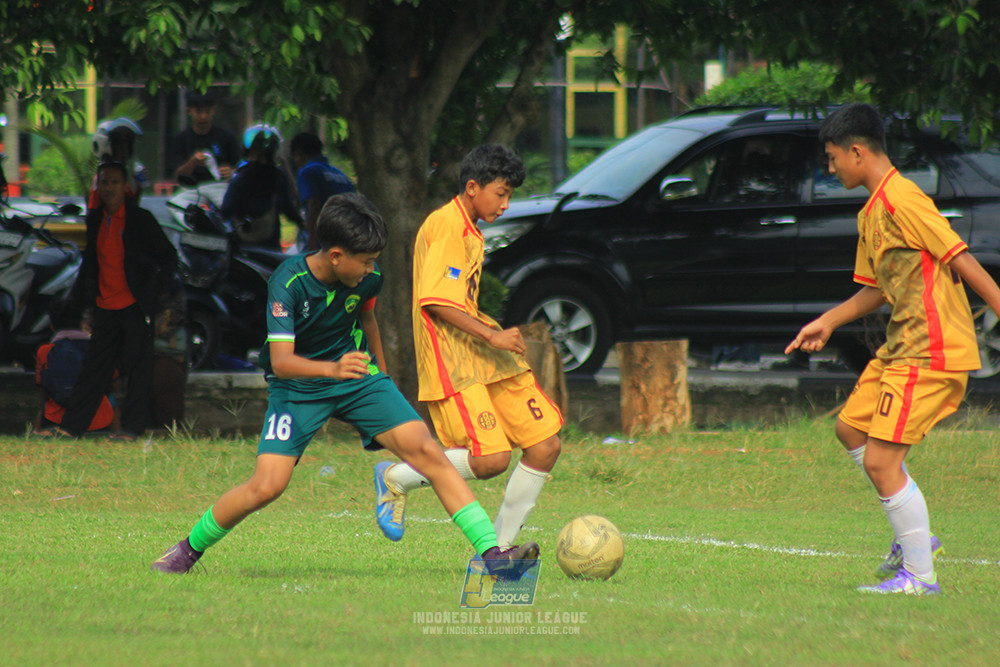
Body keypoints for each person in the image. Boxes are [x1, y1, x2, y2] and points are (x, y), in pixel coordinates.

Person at [151, 193, 540, 577]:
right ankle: (186, 550)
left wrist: (381, 378)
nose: (372, 270)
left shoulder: (368, 279)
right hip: (298, 388)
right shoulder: (288, 284)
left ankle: (492, 557)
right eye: (366, 262)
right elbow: (283, 364)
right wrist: (332, 370)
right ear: (336, 256)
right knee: (267, 486)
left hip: (356, 377)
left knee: (429, 453)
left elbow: (367, 321)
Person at [785, 103, 1000, 595]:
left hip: (931, 350)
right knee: (850, 428)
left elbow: (959, 257)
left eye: (834, 157)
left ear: (858, 151)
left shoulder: (904, 199)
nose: (830, 166)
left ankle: (920, 577)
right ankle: (914, 536)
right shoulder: (872, 211)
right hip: (900, 347)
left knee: (882, 462)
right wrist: (827, 321)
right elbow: (876, 289)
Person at [372, 144, 562, 549]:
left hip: (482, 353)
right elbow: (436, 301)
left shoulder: (469, 228)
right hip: (451, 358)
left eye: (510, 194)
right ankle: (396, 476)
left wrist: (492, 338)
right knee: (491, 460)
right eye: (502, 193)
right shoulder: (445, 225)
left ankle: (504, 550)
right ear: (473, 187)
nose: (506, 204)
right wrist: (493, 335)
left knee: (545, 445)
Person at [43, 162, 178, 441]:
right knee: (94, 369)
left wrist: (154, 295)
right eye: (104, 182)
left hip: (135, 306)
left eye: (114, 182)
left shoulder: (139, 219)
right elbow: (91, 264)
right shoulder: (96, 220)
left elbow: (168, 256)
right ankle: (71, 428)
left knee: (138, 369)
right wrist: (80, 304)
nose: (109, 188)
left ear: (124, 186)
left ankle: (131, 430)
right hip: (105, 307)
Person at [34, 309, 119, 435]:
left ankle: (36, 433)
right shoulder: (98, 350)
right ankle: (117, 435)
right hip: (99, 419)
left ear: (52, 326)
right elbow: (115, 385)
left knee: (46, 402)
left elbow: (42, 388)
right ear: (80, 323)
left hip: (55, 418)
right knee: (110, 399)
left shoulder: (44, 351)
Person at [221, 123, 302, 250]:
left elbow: (226, 210)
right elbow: (289, 210)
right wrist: (305, 224)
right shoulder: (278, 177)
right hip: (270, 249)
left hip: (241, 249)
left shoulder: (241, 177)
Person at [289, 132, 356, 251]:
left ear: (299, 154)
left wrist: (312, 244)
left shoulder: (308, 172)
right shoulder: (342, 176)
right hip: (347, 243)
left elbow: (313, 205)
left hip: (324, 245)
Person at [169, 91, 240, 184]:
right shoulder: (180, 139)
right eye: (199, 112)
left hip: (220, 186)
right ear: (189, 111)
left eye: (207, 111)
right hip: (191, 188)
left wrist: (231, 172)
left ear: (213, 110)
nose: (204, 116)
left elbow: (240, 167)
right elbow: (178, 175)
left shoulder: (227, 137)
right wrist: (192, 162)